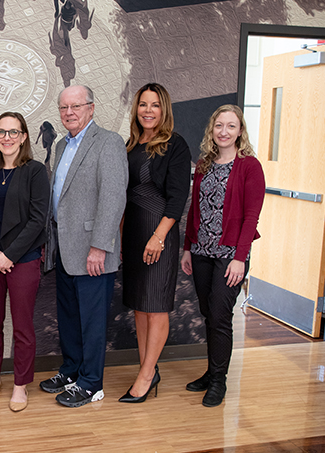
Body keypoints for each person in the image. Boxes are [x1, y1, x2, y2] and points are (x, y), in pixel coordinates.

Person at [40, 85, 128, 407]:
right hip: (65, 248)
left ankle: (91, 384)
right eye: (64, 108)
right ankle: (72, 370)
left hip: (93, 251)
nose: (69, 113)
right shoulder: (63, 145)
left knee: (91, 320)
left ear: (91, 108)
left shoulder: (108, 142)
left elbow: (114, 197)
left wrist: (100, 247)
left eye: (76, 106)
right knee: (69, 317)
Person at [181, 104, 264, 407]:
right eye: (219, 125)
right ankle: (211, 371)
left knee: (219, 315)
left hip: (230, 255)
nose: (224, 131)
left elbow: (251, 216)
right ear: (212, 129)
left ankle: (219, 381)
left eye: (231, 126)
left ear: (240, 131)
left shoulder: (249, 166)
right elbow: (195, 211)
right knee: (208, 313)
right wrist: (188, 247)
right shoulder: (204, 163)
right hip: (201, 251)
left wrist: (240, 257)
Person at [118, 83, 191, 403]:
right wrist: (120, 238)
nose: (148, 110)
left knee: (156, 305)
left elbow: (178, 199)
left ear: (165, 110)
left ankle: (146, 375)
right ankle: (148, 366)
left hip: (158, 234)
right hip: (133, 233)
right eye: (143, 104)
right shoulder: (130, 145)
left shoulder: (175, 145)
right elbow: (121, 195)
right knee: (139, 305)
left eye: (155, 105)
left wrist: (159, 237)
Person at [0, 112, 49, 412]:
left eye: (14, 132)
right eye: (2, 132)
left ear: (24, 137)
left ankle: (20, 384)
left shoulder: (35, 171)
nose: (7, 137)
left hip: (23, 260)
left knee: (22, 326)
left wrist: (9, 255)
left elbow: (37, 220)